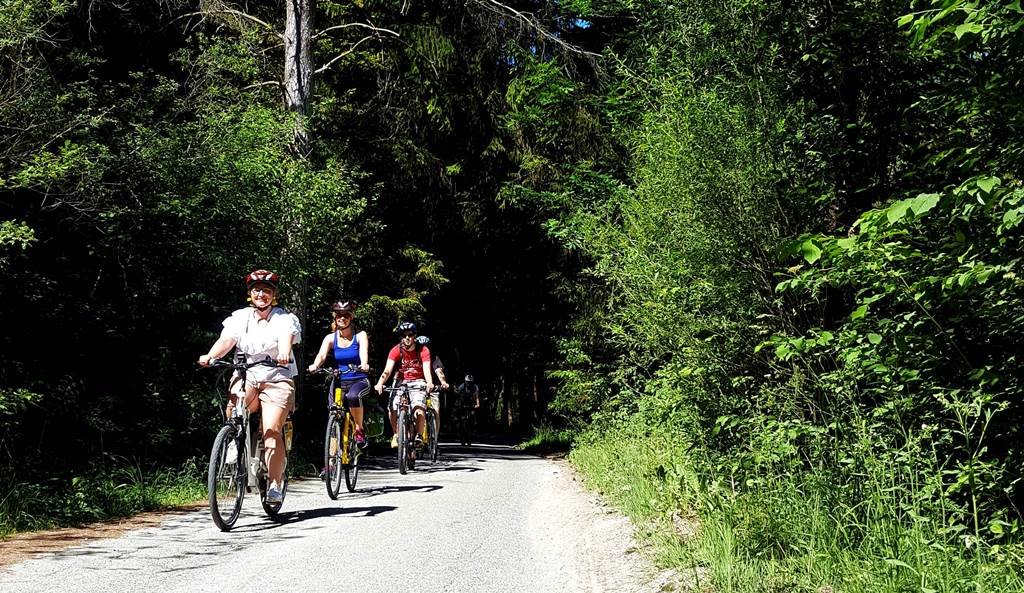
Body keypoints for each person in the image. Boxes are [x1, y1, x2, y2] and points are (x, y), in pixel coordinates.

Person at [198, 269, 301, 503]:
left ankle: (275, 484)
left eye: (266, 290)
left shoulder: (284, 319)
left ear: (273, 294)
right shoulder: (240, 317)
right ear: (250, 293)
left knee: (271, 430)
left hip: (277, 377)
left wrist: (284, 352)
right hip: (248, 374)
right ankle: (233, 439)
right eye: (257, 290)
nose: (261, 294)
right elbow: (227, 340)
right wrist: (211, 355)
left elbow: (287, 337)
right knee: (235, 402)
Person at [307, 300, 371, 446]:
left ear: (351, 317)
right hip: (339, 381)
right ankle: (331, 461)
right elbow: (322, 355)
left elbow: (363, 351)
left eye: (346, 315)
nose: (342, 318)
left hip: (358, 379)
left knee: (353, 396)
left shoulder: (360, 335)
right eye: (339, 315)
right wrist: (315, 365)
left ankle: (359, 429)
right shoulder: (330, 338)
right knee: (333, 414)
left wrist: (364, 364)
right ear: (335, 318)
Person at [374, 321, 433, 449]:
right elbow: (387, 370)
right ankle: (396, 434)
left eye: (410, 335)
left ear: (415, 336)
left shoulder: (423, 349)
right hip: (400, 381)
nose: (407, 338)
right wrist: (380, 383)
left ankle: (418, 435)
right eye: (404, 335)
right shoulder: (396, 350)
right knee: (392, 406)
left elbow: (427, 369)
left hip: (418, 380)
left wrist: (429, 383)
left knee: (419, 407)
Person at [416, 335, 448, 439]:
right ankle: (412, 437)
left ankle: (435, 438)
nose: (423, 349)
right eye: (420, 346)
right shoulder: (411, 358)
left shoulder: (434, 358)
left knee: (436, 411)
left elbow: (439, 371)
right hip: (415, 388)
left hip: (432, 388)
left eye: (425, 346)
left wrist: (443, 382)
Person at [454, 374, 481, 445]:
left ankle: (472, 432)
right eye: (467, 382)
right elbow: (458, 396)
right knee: (460, 420)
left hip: (471, 403)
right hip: (462, 403)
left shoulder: (475, 387)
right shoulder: (462, 386)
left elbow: (477, 396)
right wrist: (458, 404)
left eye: (470, 382)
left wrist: (477, 404)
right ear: (465, 381)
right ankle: (461, 436)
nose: (468, 383)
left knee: (472, 419)